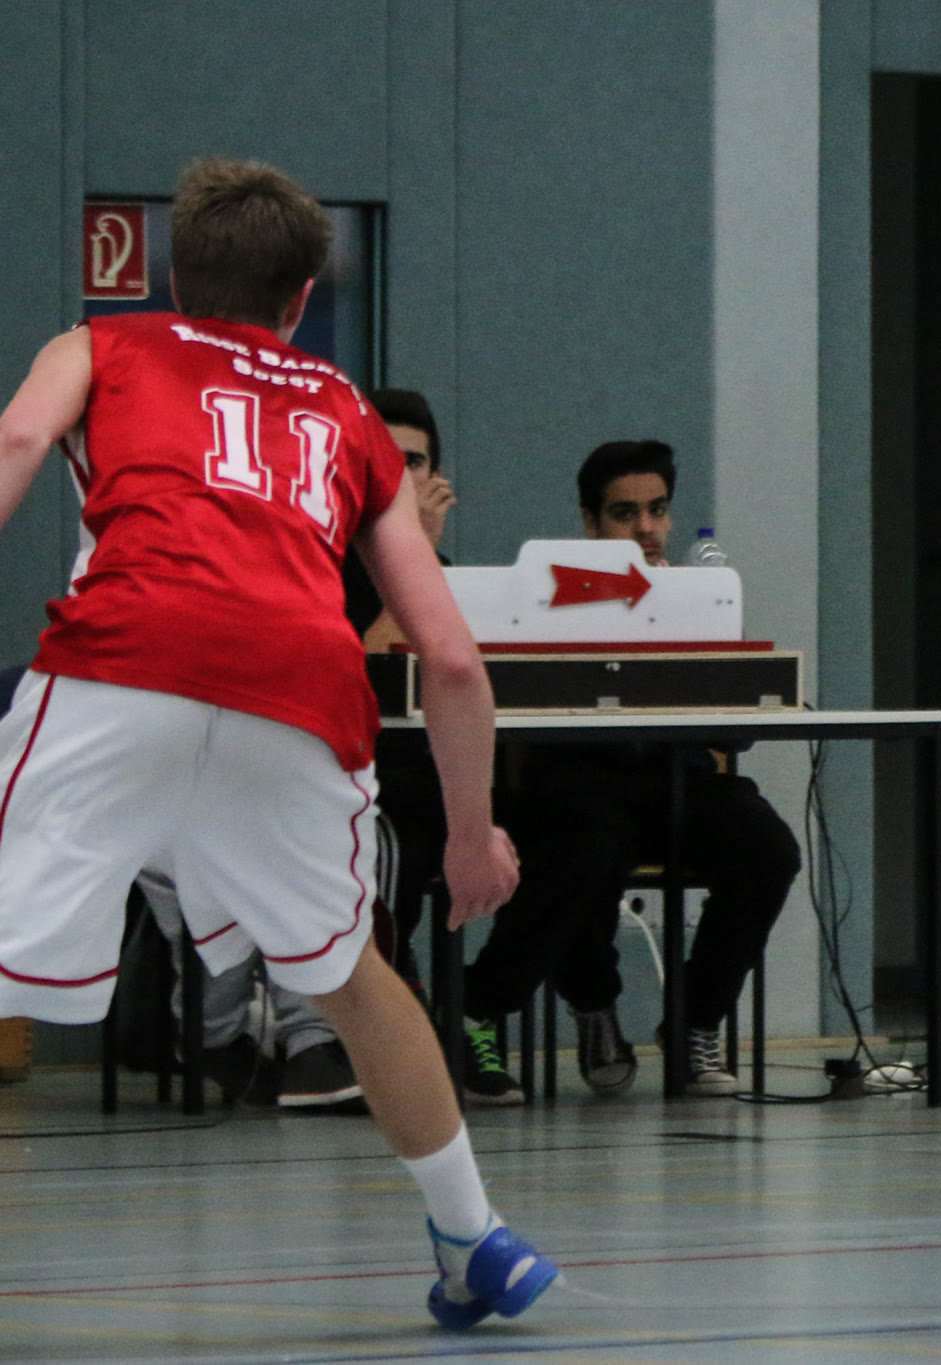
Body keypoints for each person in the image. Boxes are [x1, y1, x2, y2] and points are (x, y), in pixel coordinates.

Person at [0, 157, 554, 1326]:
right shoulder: (348, 411)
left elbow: (16, 444)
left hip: (124, 660)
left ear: (173, 279)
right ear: (301, 298)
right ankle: (473, 1237)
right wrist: (470, 835)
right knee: (348, 976)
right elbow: (452, 659)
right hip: (299, 695)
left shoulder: (101, 345)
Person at [458, 440, 801, 1097]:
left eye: (657, 510)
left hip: (679, 779)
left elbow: (737, 728)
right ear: (590, 523)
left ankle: (695, 1021)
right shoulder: (547, 598)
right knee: (587, 842)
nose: (645, 527)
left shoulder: (702, 596)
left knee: (767, 847)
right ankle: (491, 1010)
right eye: (624, 513)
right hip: (578, 778)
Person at [341, 389, 523, 1105]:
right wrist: (406, 552)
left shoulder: (459, 577)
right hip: (363, 781)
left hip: (445, 778)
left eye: (412, 462)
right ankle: (394, 1026)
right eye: (382, 461)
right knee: (399, 850)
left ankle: (474, 1010)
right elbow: (356, 678)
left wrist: (421, 554)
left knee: (572, 838)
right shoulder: (318, 562)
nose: (398, 478)